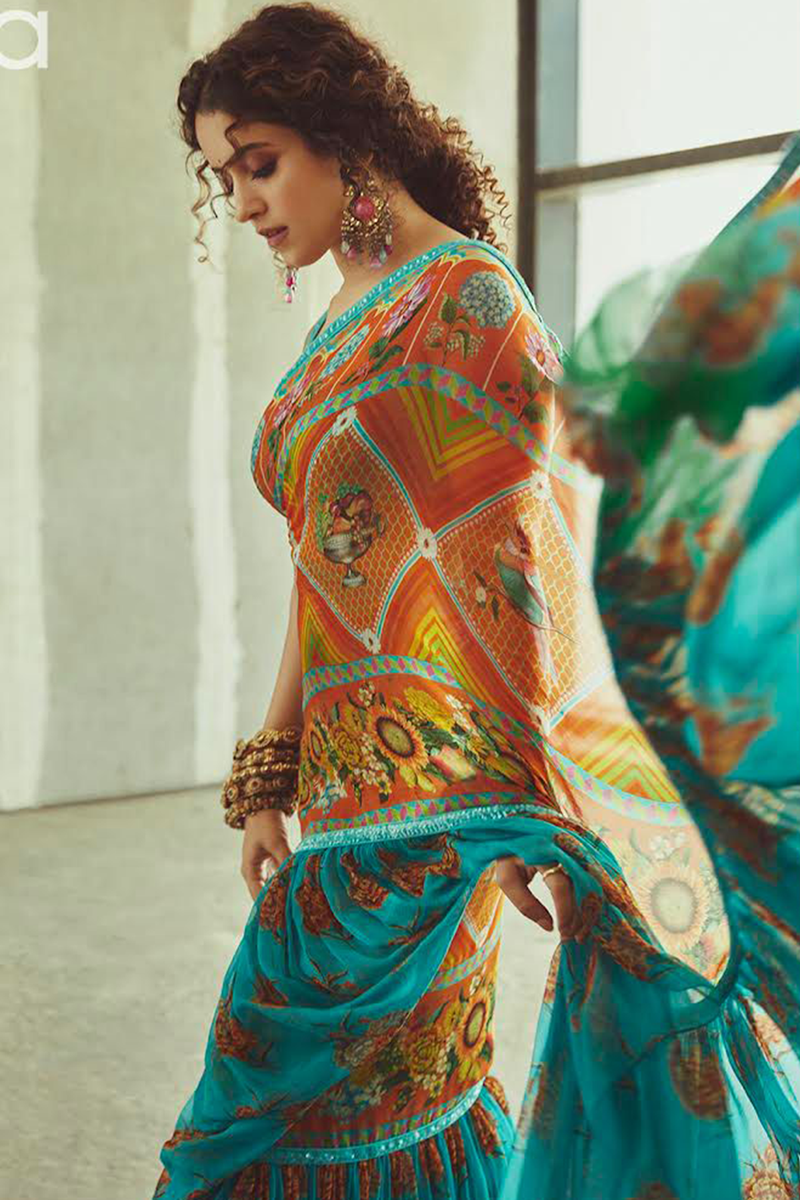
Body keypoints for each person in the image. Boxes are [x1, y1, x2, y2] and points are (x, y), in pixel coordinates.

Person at [153, 5, 800, 1198]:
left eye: (258, 163)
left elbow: (533, 570)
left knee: (256, 1095)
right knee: (384, 1107)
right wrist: (269, 769)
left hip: (444, 813)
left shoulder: (468, 303)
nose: (240, 201)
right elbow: (326, 572)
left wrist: (532, 813)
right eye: (221, 177)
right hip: (347, 800)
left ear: (346, 139)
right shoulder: (346, 312)